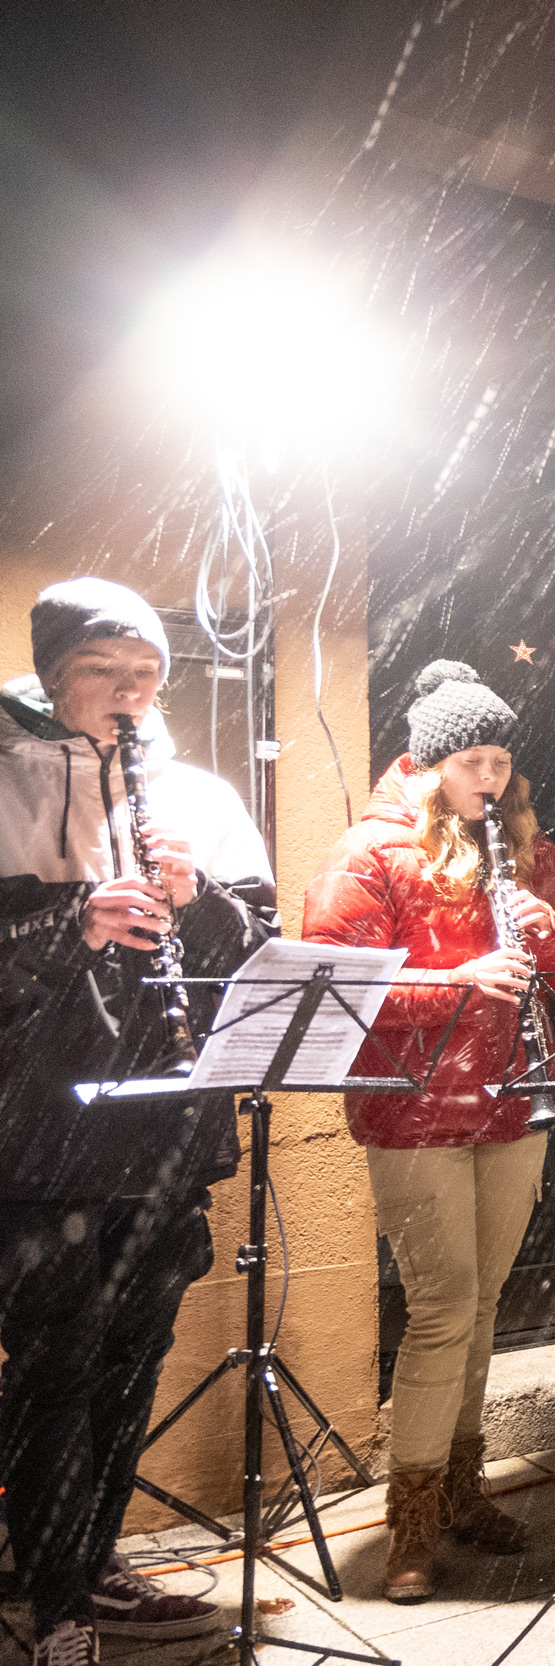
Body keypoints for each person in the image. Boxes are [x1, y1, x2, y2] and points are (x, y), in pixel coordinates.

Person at [0, 579, 279, 1662]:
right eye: (103, 674)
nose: (131, 696)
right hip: (38, 1132)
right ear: (52, 672)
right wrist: (72, 925)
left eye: (147, 676)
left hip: (165, 1126)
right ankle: (53, 1588)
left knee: (129, 1355)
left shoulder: (194, 792)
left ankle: (95, 1559)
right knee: (53, 1362)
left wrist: (199, 898)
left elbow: (258, 950)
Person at [303, 661, 555, 1602]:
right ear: (430, 762)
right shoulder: (372, 852)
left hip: (517, 1099)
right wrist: (458, 979)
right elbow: (335, 992)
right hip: (415, 1109)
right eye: (473, 759)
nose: (491, 777)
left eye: (501, 759)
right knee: (441, 1307)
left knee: (483, 1306)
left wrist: (552, 932)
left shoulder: (530, 848)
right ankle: (412, 1519)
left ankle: (463, 1489)